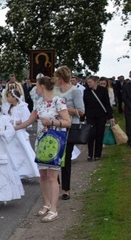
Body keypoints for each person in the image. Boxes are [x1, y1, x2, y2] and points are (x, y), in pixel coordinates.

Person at [14, 76, 71, 223]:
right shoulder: (39, 103)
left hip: (55, 141)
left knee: (52, 176)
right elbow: (29, 120)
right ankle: (46, 203)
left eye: (37, 86)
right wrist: (13, 127)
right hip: (41, 142)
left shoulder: (59, 101)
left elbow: (67, 122)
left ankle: (54, 209)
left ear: (42, 86)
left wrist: (51, 122)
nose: (35, 89)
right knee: (43, 175)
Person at [53, 66, 84, 199]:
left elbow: (81, 111)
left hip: (69, 127)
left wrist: (64, 108)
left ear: (60, 79)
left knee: (65, 158)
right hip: (55, 127)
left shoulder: (74, 91)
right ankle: (55, 185)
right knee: (54, 157)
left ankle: (65, 189)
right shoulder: (54, 90)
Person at [4, 90, 40, 179]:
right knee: (11, 153)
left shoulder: (22, 107)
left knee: (23, 152)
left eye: (9, 96)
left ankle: (27, 171)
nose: (7, 98)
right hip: (10, 133)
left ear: (14, 98)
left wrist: (15, 122)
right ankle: (15, 173)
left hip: (19, 132)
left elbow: (27, 121)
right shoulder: (8, 107)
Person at [83, 75, 115, 161]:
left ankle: (97, 154)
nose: (88, 84)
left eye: (90, 82)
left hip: (101, 115)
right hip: (90, 115)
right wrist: (83, 117)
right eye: (87, 82)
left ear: (95, 82)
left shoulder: (103, 90)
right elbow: (85, 105)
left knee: (99, 134)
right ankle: (90, 154)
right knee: (91, 134)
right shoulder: (86, 91)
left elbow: (106, 104)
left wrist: (110, 116)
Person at [124, 73, 131, 147]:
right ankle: (130, 141)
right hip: (129, 109)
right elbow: (124, 97)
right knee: (129, 125)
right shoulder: (126, 86)